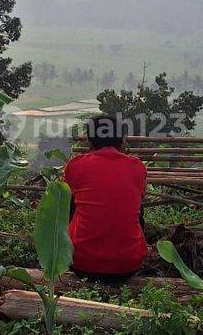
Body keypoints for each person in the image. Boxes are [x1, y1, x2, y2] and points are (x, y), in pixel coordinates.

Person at [63, 115, 148, 283]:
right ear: (122, 140)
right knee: (136, 207)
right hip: (128, 265)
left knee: (72, 204)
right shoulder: (137, 167)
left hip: (81, 263)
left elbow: (67, 209)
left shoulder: (75, 166)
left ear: (89, 141)